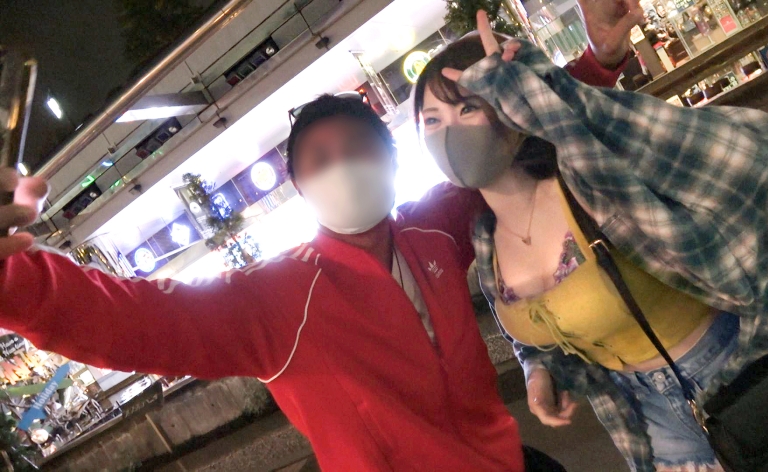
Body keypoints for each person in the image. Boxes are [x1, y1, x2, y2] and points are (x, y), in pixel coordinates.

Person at [0, 5, 640, 470]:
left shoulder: (431, 229)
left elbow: (510, 149)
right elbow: (125, 320)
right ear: (299, 187)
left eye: (360, 148)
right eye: (320, 159)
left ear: (392, 161)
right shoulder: (272, 299)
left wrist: (600, 60)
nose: (344, 166)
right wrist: (9, 275)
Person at [413, 12, 768, 472]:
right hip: (650, 432)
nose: (449, 133)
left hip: (756, 378)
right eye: (431, 120)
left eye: (468, 108)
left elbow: (745, 153)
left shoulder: (587, 179)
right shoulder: (486, 243)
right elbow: (532, 332)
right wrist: (538, 371)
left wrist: (551, 93)